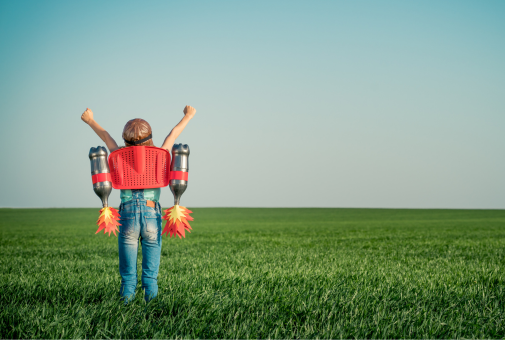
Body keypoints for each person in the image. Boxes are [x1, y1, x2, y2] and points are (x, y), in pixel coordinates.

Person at [81, 105, 196, 302]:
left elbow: (107, 137)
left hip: (127, 216)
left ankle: (124, 313)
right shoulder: (160, 154)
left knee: (127, 278)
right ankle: (152, 315)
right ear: (150, 137)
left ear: (125, 141)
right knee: (150, 276)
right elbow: (173, 135)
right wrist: (188, 116)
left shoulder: (119, 155)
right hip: (152, 214)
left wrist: (90, 120)